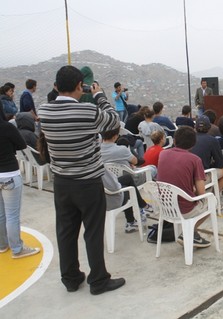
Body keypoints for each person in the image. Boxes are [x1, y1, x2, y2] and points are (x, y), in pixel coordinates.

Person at [37, 65, 125, 295]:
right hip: (88, 181)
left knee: (66, 231)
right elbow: (113, 121)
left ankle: (70, 278)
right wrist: (99, 96)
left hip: (62, 183)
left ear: (56, 86)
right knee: (93, 232)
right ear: (80, 86)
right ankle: (98, 280)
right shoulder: (87, 111)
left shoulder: (44, 111)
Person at [157, 126, 212, 248]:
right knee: (212, 202)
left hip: (165, 206)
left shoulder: (162, 154)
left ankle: (193, 235)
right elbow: (202, 193)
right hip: (185, 209)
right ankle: (190, 232)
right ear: (193, 144)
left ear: (174, 141)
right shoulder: (195, 160)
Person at [0, 105, 40, 259]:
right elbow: (22, 145)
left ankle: (3, 245)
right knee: (12, 215)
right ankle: (17, 248)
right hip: (9, 173)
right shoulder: (7, 127)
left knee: (1, 214)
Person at [100, 127, 151, 231]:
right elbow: (137, 161)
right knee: (151, 170)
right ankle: (142, 207)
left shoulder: (97, 150)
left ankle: (135, 216)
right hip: (117, 184)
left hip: (105, 184)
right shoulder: (122, 149)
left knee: (128, 180)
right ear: (115, 136)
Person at [190, 116, 223, 196]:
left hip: (187, 176)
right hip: (201, 176)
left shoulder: (188, 138)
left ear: (195, 127)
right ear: (209, 127)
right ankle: (214, 199)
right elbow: (220, 164)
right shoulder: (212, 140)